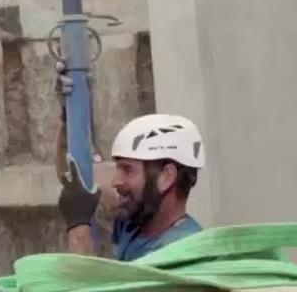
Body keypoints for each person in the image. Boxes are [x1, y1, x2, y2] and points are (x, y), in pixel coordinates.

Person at [57, 104, 206, 261]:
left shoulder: (181, 253)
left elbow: (80, 277)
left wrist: (78, 226)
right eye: (118, 168)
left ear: (166, 177)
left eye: (127, 169)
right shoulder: (137, 221)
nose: (115, 181)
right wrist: (70, 119)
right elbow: (75, 178)